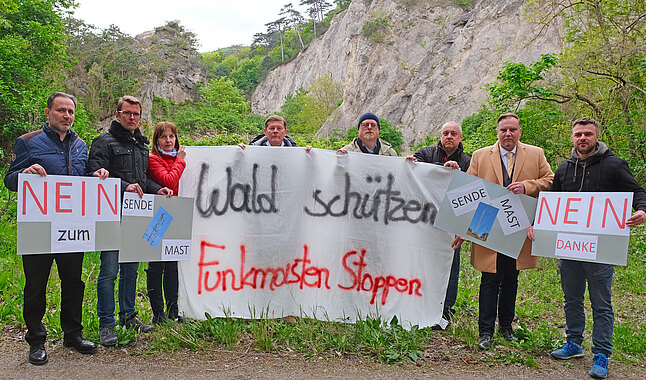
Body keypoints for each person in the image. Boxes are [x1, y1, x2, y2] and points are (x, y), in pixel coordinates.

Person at [529, 117, 646, 379]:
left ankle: (602, 353)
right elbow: (552, 204)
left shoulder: (615, 165)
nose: (583, 138)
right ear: (572, 137)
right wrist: (537, 224)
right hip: (569, 247)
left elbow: (638, 191)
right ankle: (574, 343)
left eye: (588, 134)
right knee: (571, 298)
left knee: (601, 303)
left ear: (596, 136)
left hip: (602, 249)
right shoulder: (563, 168)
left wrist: (642, 210)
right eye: (578, 134)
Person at [4, 92, 108, 365]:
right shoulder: (27, 142)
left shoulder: (80, 145)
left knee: (74, 282)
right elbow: (10, 180)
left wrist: (95, 177)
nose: (67, 116)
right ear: (48, 112)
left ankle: (72, 334)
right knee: (36, 286)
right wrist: (23, 174)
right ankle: (36, 340)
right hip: (39, 227)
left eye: (71, 112)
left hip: (72, 228)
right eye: (61, 110)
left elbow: (82, 183)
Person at [87, 95, 172, 346]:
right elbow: (95, 176)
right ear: (117, 114)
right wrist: (125, 186)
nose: (132, 118)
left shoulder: (141, 145)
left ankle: (128, 316)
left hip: (136, 215)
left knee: (131, 270)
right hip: (110, 216)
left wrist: (157, 189)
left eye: (136, 114)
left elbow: (142, 181)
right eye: (128, 113)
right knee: (109, 271)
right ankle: (106, 324)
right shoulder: (103, 142)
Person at [466, 112, 553, 350]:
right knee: (489, 277)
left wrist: (527, 186)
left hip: (519, 223)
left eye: (512, 129)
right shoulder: (480, 155)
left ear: (519, 131)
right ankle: (485, 332)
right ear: (497, 131)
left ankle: (506, 327)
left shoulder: (536, 154)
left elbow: (550, 180)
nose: (508, 134)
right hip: (487, 222)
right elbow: (469, 188)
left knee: (511, 277)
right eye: (504, 130)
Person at [411, 121, 470, 328]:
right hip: (424, 221)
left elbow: (475, 192)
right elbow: (412, 171)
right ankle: (418, 302)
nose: (449, 136)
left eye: (454, 133)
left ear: (460, 137)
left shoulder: (468, 161)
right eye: (445, 133)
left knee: (450, 268)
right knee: (422, 262)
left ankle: (445, 310)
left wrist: (458, 171)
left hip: (451, 225)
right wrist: (439, 168)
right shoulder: (425, 153)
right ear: (440, 135)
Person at [146, 121, 186, 324]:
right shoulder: (153, 159)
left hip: (177, 215)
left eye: (172, 136)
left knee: (172, 264)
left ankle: (173, 310)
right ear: (156, 140)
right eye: (164, 137)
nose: (169, 140)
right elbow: (168, 181)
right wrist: (180, 161)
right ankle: (158, 313)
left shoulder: (179, 157)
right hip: (158, 216)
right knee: (156, 265)